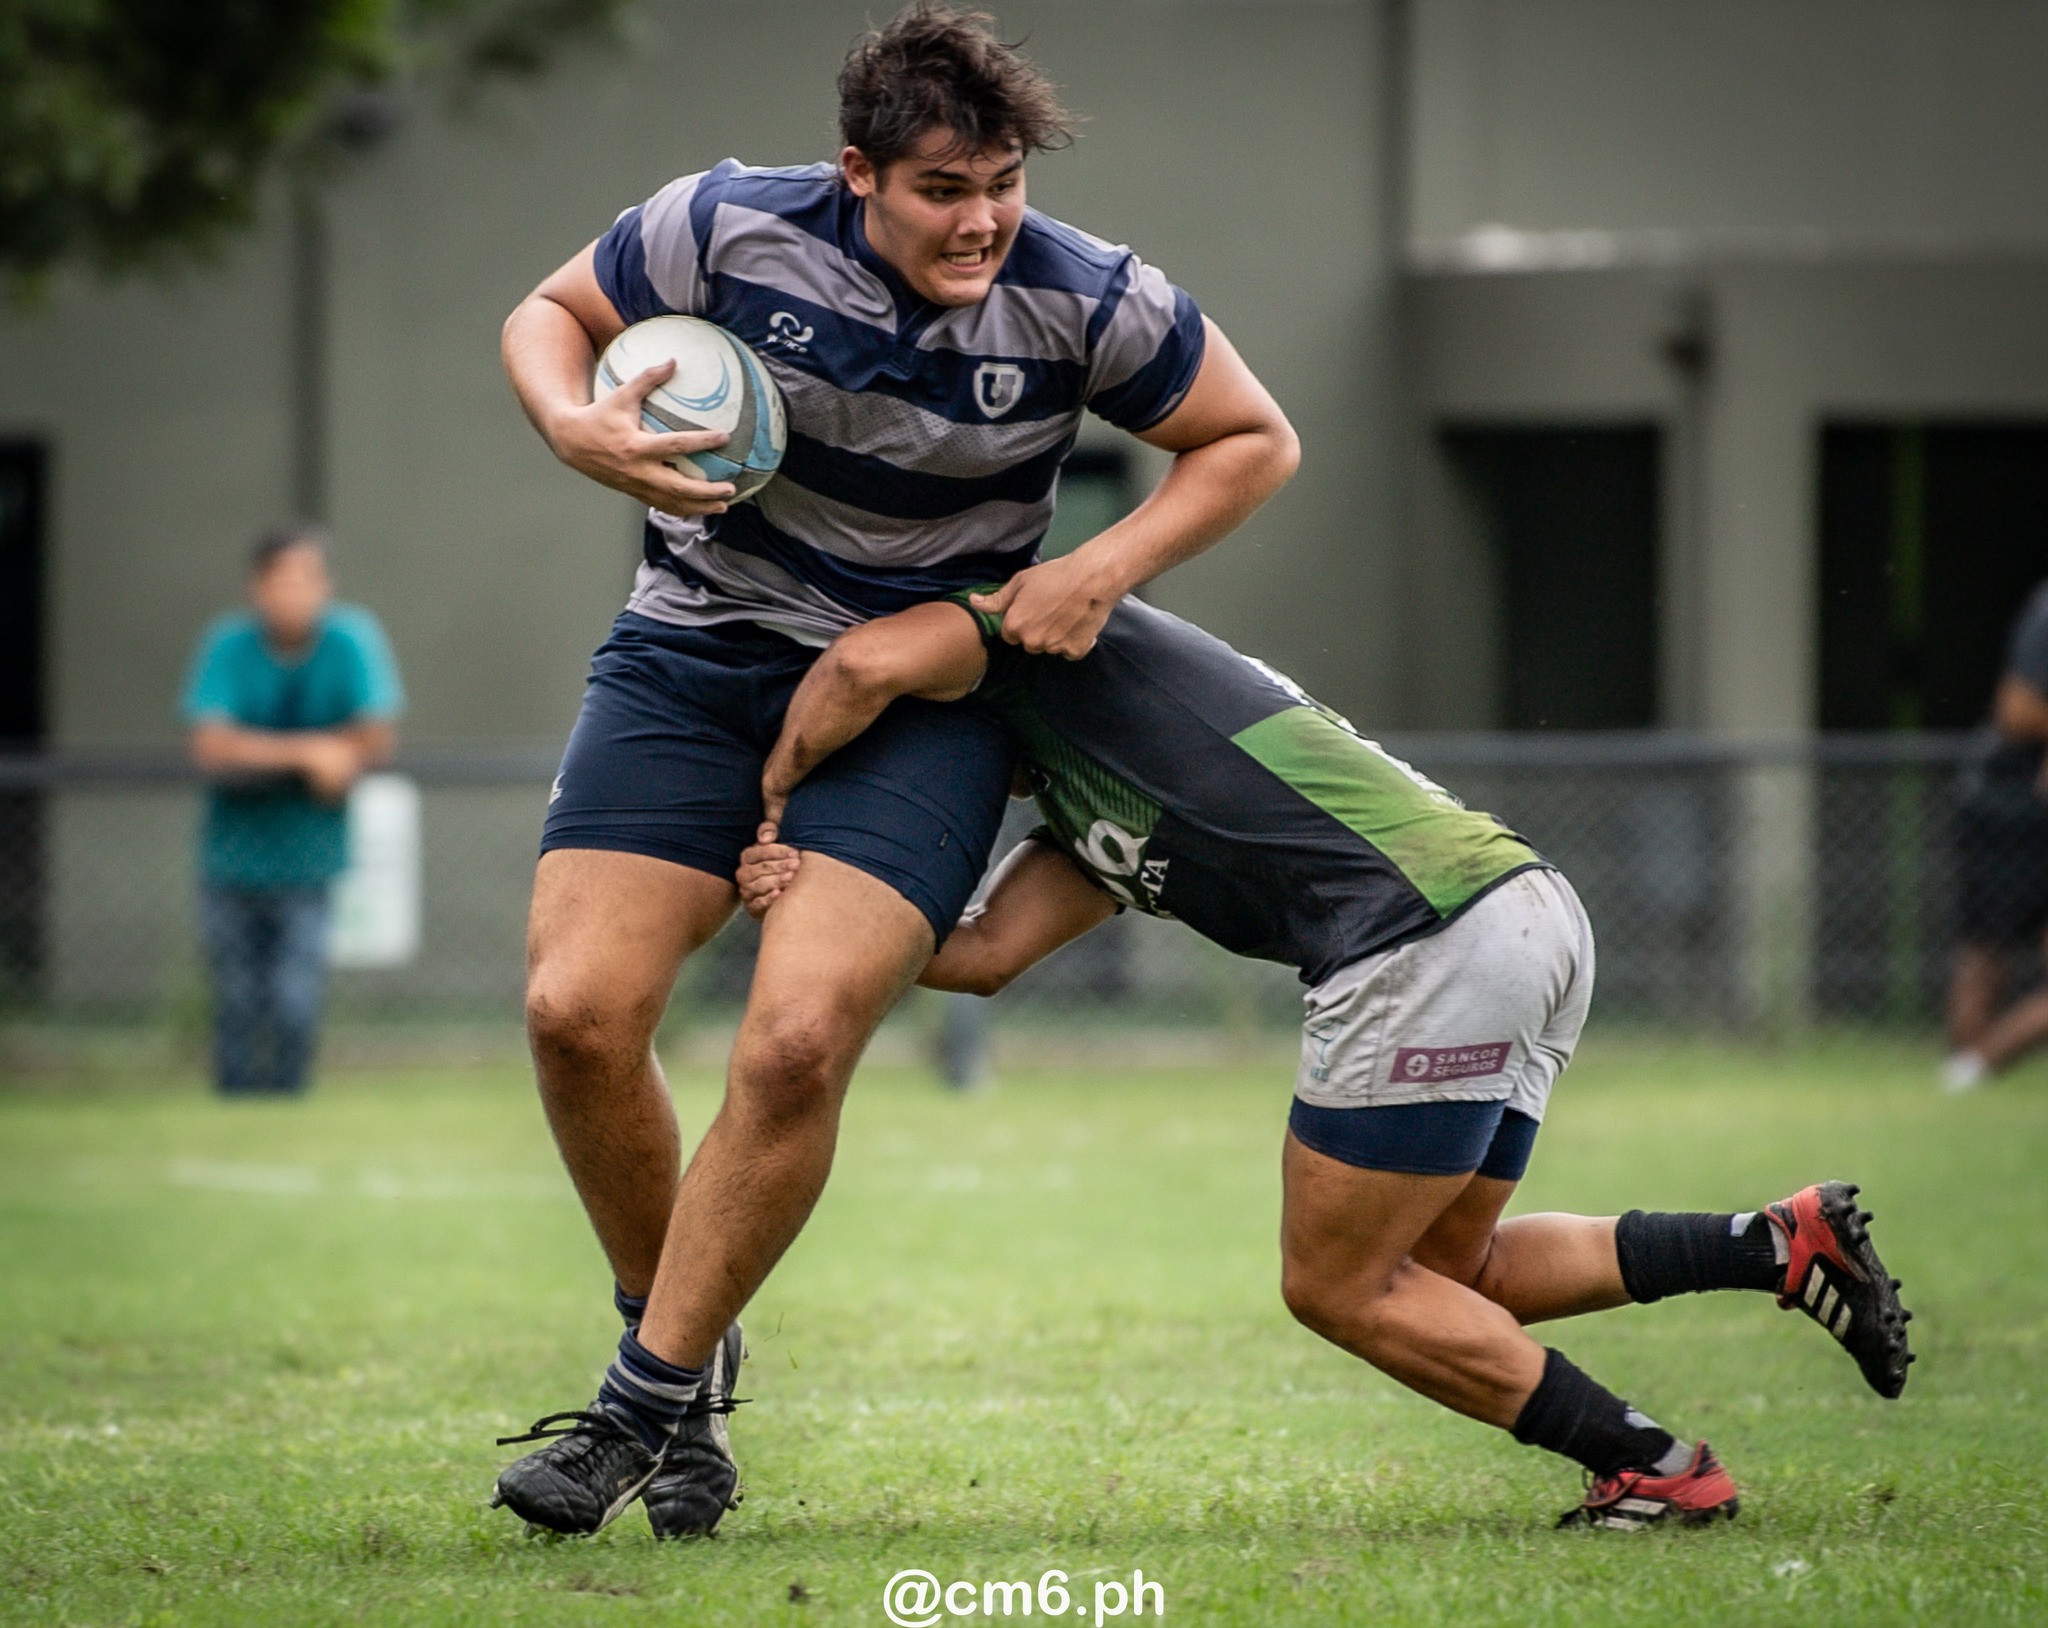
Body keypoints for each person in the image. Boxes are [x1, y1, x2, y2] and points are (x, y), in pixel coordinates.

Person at [490, 3, 1299, 1537]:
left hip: (925, 698)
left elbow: (1253, 439)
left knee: (796, 1044)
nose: (981, 220)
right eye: (943, 189)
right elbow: (553, 309)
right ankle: (683, 1347)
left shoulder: (1085, 294)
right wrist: (569, 422)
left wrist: (1097, 568)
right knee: (576, 1014)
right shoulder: (725, 225)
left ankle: (638, 1411)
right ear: (857, 173)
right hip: (698, 652)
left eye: (1002, 183)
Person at [736, 592, 1917, 1528]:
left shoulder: (1047, 632)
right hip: (1506, 915)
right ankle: (1771, 1241)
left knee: (1337, 1285)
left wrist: (777, 793)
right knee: (1451, 1270)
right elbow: (982, 953)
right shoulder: (1080, 788)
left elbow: (860, 663)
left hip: (1421, 937)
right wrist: (810, 911)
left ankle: (1649, 1464)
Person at [181, 526, 403, 1096]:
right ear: (256, 587)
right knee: (236, 998)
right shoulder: (228, 644)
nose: (294, 592)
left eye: (307, 578)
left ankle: (289, 1097)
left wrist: (307, 753)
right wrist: (310, 753)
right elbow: (210, 743)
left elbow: (376, 735)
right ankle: (234, 1103)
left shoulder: (351, 639)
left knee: (295, 997)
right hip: (231, 858)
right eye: (281, 579)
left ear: (326, 586)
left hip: (311, 859)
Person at [1944, 579, 2048, 1091]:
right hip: (2013, 811)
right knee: (1986, 955)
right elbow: (2018, 707)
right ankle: (1967, 1072)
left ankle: (1969, 1073)